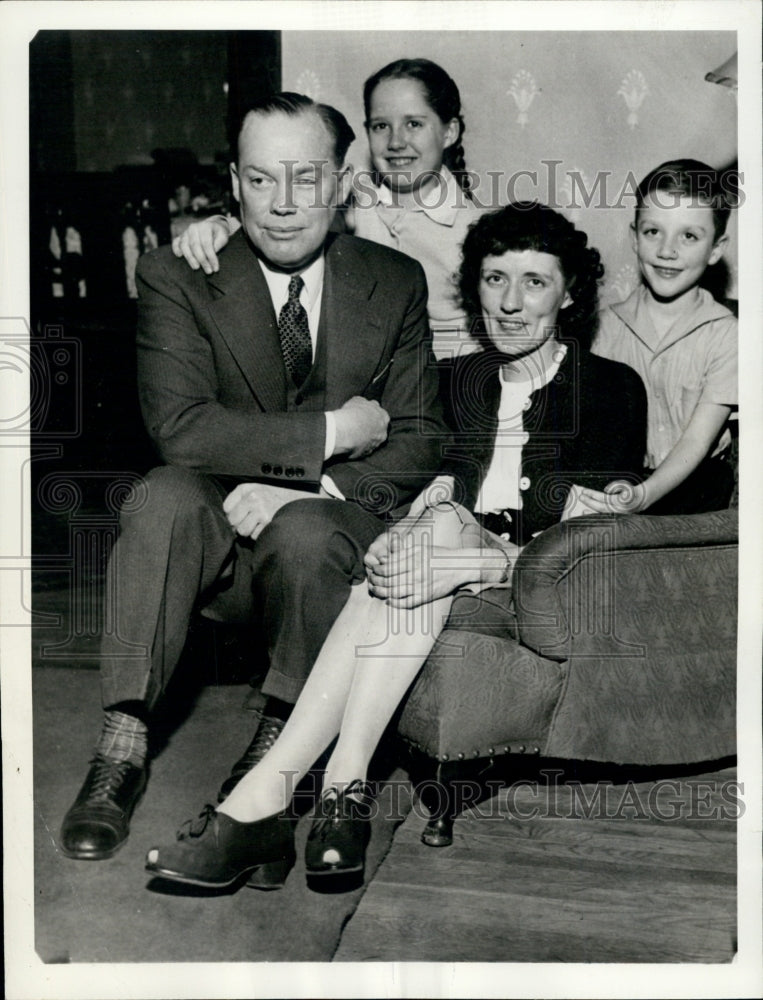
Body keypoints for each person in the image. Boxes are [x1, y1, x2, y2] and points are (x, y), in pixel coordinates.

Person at [144, 202, 647, 892]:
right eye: (494, 278)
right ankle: (336, 798)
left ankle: (265, 801)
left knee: (434, 534)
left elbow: (590, 544)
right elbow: (394, 476)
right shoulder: (453, 382)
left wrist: (476, 556)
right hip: (425, 565)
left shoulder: (613, 389)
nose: (509, 301)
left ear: (569, 293)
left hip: (529, 577)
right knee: (420, 535)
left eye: (534, 282)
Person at [59, 92, 447, 862]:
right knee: (162, 493)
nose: (282, 205)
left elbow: (419, 438)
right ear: (234, 185)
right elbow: (182, 430)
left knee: (304, 526)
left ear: (341, 184)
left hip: (328, 550)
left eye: (305, 178)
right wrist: (335, 433)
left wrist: (314, 489)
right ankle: (122, 743)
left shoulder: (393, 280)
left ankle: (276, 748)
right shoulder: (179, 273)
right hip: (219, 549)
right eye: (262, 181)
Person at [173, 58, 484, 359]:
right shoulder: (349, 202)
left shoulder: (476, 229)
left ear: (449, 132)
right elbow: (280, 222)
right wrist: (221, 227)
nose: (396, 142)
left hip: (448, 380)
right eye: (380, 126)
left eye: (414, 124)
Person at [584, 159, 737, 516]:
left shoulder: (727, 334)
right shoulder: (603, 327)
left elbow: (697, 443)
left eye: (689, 236)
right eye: (653, 232)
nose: (667, 251)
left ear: (716, 248)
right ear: (634, 237)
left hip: (696, 487)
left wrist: (642, 497)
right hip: (619, 480)